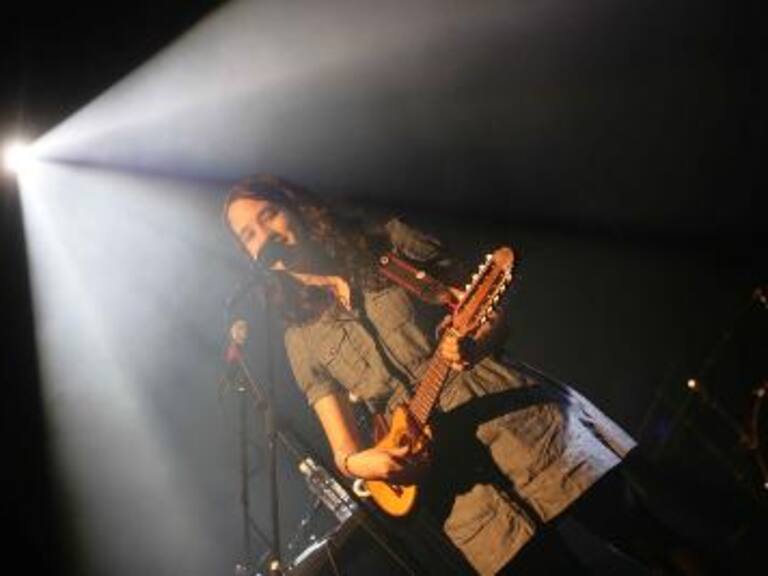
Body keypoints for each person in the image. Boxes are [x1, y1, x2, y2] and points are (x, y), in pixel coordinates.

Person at [223, 174, 712, 575]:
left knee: (653, 544)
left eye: (267, 214)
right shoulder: (299, 340)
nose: (262, 234)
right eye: (247, 234)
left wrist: (475, 342)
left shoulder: (386, 245)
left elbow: (485, 310)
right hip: (459, 495)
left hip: (524, 428)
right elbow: (344, 452)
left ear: (297, 208)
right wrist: (369, 464)